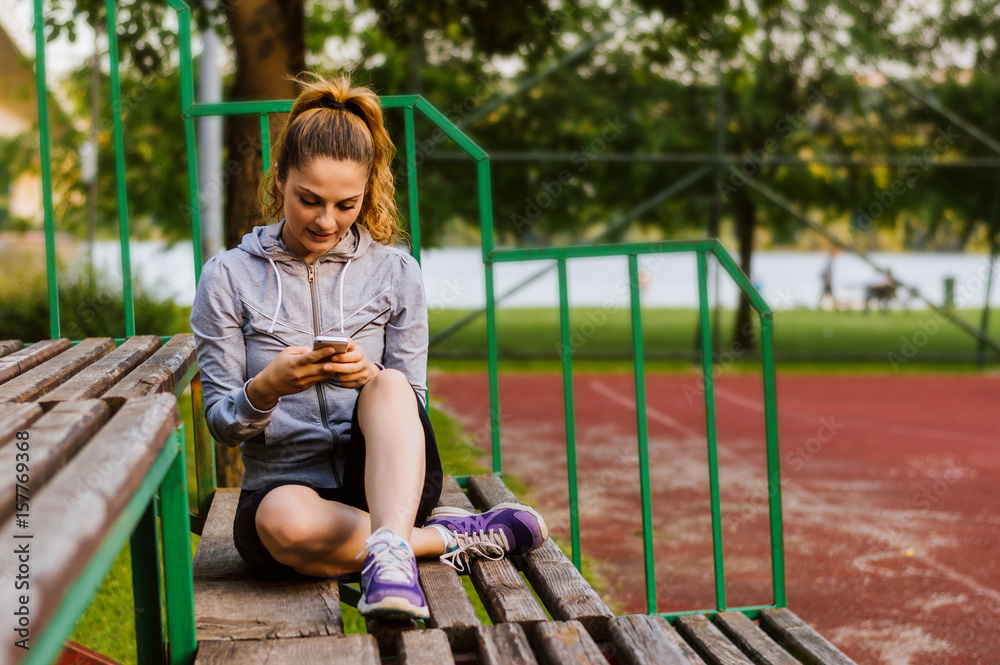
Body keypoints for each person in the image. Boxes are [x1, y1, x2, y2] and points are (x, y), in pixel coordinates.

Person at [190, 74, 548, 620]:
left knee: (390, 383)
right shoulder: (228, 278)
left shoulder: (396, 272)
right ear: (279, 177)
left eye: (346, 204)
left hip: (385, 482)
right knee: (285, 528)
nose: (326, 221)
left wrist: (368, 376)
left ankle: (392, 536)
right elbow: (221, 423)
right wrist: (265, 389)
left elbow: (413, 403)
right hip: (285, 492)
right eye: (309, 200)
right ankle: (434, 541)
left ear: (367, 192)